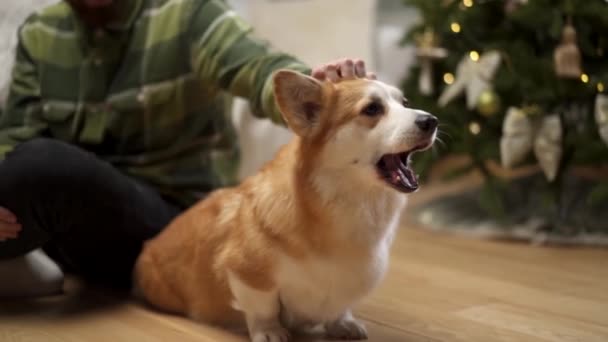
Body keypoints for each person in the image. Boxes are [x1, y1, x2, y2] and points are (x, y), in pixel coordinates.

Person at [0, 0, 375, 296]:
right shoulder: (40, 32)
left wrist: (317, 87)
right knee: (23, 166)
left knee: (44, 162)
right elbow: (13, 139)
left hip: (177, 235)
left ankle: (20, 262)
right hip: (75, 235)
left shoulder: (190, 12)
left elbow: (257, 67)